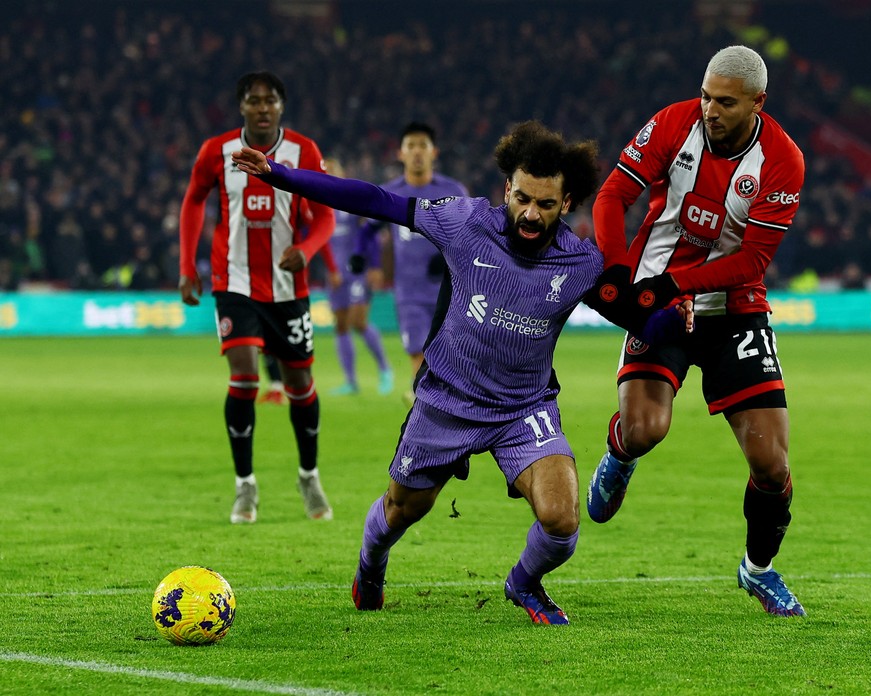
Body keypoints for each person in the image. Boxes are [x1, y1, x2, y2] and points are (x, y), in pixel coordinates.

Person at [232, 121, 691, 625]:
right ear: (506, 190)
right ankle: (371, 563)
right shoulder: (465, 222)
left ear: (568, 204)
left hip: (524, 408)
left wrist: (672, 318)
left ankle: (523, 584)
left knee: (562, 522)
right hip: (447, 399)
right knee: (402, 510)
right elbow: (374, 200)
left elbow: (635, 316)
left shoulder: (582, 262)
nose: (531, 214)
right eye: (522, 199)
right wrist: (281, 175)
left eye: (546, 204)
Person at [585, 45, 808, 616]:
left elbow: (751, 261)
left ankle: (757, 569)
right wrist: (618, 271)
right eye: (707, 95)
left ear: (758, 102)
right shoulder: (673, 121)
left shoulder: (783, 160)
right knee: (644, 429)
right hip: (659, 305)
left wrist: (676, 284)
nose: (710, 109)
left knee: (772, 464)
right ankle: (620, 454)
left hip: (734, 310)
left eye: (726, 102)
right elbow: (614, 194)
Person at [179, 71, 336, 524]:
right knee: (245, 377)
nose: (262, 107)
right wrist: (187, 265)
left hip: (288, 288)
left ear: (281, 107)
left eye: (270, 100)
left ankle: (308, 475)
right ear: (241, 106)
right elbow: (193, 201)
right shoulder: (216, 151)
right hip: (235, 282)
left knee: (300, 386)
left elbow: (325, 216)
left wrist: (306, 250)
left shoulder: (304, 151)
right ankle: (244, 486)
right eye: (253, 100)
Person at [355, 122, 468, 405]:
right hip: (409, 291)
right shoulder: (390, 192)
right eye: (411, 146)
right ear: (401, 154)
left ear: (434, 153)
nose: (417, 152)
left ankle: (429, 397)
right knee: (417, 350)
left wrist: (445, 258)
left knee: (452, 353)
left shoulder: (453, 190)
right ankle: (425, 401)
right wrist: (369, 262)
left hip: (452, 289)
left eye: (423, 146)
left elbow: (471, 233)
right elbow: (367, 230)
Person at [319, 156, 394, 396]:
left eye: (332, 170)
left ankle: (385, 369)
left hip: (356, 273)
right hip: (334, 276)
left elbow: (368, 234)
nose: (328, 174)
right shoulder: (318, 206)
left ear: (341, 174)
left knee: (358, 322)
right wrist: (329, 270)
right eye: (324, 170)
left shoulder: (350, 200)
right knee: (341, 326)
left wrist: (374, 266)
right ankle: (350, 382)